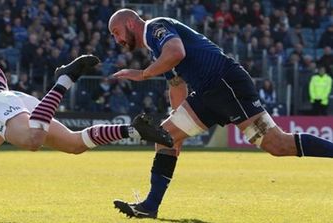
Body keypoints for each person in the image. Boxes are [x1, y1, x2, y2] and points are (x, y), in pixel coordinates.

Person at [108, 9, 333, 219]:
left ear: (130, 22)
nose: (117, 40)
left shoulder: (157, 27)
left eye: (116, 33)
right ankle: (150, 206)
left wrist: (143, 74)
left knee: (277, 145)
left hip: (227, 85)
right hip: (208, 94)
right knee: (165, 135)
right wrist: (177, 127)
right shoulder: (156, 47)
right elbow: (177, 85)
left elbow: (176, 52)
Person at [0, 26, 173, 167]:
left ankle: (63, 80)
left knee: (32, 141)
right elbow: (4, 125)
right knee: (74, 145)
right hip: (12, 97)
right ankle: (133, 130)